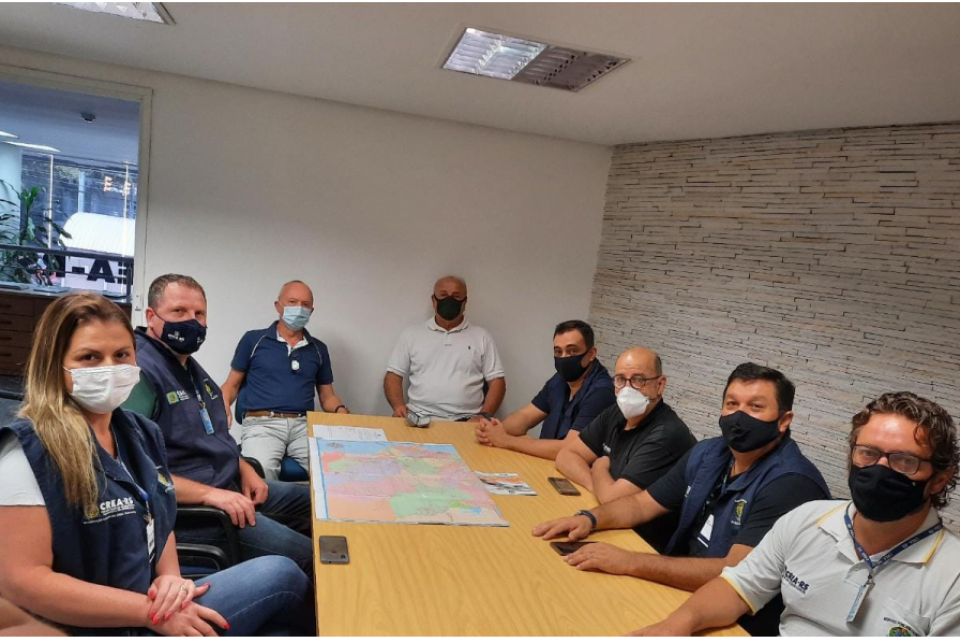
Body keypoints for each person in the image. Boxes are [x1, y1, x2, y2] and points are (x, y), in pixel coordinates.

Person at [0, 293, 313, 636]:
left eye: (122, 355)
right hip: (108, 623)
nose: (110, 368)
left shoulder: (139, 433)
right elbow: (23, 582)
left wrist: (171, 579)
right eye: (89, 357)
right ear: (54, 365)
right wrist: (148, 613)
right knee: (284, 575)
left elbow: (158, 515)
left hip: (154, 600)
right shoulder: (27, 454)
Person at [534, 363, 830, 636]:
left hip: (736, 621)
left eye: (755, 407)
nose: (739, 416)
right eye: (732, 404)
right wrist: (589, 518)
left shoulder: (791, 484)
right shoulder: (709, 453)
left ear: (784, 420)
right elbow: (640, 504)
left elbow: (735, 575)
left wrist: (629, 561)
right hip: (678, 591)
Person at [633, 392, 960, 638]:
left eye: (904, 461)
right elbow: (738, 587)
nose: (880, 469)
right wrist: (678, 624)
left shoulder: (952, 578)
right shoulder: (807, 520)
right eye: (868, 453)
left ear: (940, 479)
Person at [124, 274, 313, 575]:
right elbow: (134, 474)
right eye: (179, 311)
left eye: (199, 314)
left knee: (313, 505)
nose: (192, 321)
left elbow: (213, 435)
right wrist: (211, 495)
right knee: (314, 558)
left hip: (229, 486)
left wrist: (244, 468)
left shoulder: (187, 365)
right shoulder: (141, 373)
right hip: (200, 513)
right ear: (151, 316)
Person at [221, 280, 349, 480]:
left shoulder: (318, 349)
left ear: (312, 310)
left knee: (336, 472)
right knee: (260, 477)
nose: (299, 308)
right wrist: (221, 407)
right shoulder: (253, 340)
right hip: (262, 424)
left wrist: (341, 411)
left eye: (305, 304)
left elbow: (327, 396)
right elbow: (232, 385)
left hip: (303, 426)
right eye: (292, 302)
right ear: (278, 306)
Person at [553, 347, 696, 504]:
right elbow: (565, 455)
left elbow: (613, 500)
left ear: (660, 385)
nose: (627, 389)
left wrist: (600, 467)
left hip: (641, 520)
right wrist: (597, 487)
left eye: (638, 380)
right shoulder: (616, 412)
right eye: (620, 379)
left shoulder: (667, 434)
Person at [476, 320, 615, 461]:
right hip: (545, 463)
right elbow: (525, 417)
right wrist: (492, 430)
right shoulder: (560, 380)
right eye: (558, 352)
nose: (564, 357)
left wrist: (506, 441)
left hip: (573, 470)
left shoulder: (601, 392)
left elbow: (570, 449)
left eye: (572, 351)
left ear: (591, 354)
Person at [385, 275, 505, 422]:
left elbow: (497, 381)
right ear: (433, 300)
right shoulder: (411, 334)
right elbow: (393, 375)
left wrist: (483, 415)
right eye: (443, 295)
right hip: (418, 417)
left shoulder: (482, 336)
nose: (449, 300)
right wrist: (398, 406)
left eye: (456, 296)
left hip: (467, 421)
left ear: (465, 302)